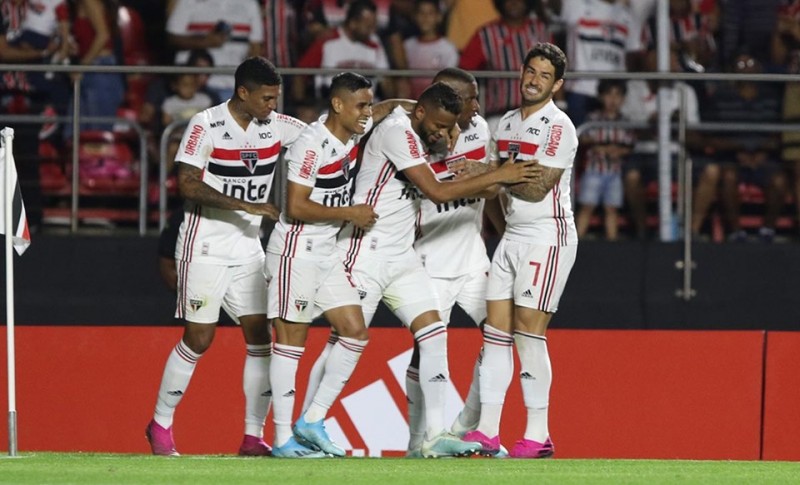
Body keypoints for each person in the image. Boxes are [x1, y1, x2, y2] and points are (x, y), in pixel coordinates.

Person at [305, 81, 538, 458]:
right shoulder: (402, 134)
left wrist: (488, 177)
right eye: (443, 124)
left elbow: (472, 185)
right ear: (426, 109)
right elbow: (437, 190)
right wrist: (498, 174)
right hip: (375, 250)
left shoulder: (455, 129)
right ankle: (308, 422)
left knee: (444, 335)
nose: (447, 133)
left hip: (414, 257)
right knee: (346, 340)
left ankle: (441, 433)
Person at [145, 57, 307, 457]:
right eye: (267, 98)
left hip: (248, 251)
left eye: (276, 98)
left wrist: (385, 110)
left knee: (260, 339)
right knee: (199, 338)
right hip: (204, 247)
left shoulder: (276, 125)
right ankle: (160, 423)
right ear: (243, 93)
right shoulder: (206, 125)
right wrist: (246, 206)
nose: (273, 105)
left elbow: (325, 134)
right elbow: (186, 184)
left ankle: (253, 436)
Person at [264, 72, 414, 458]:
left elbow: (384, 110)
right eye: (360, 105)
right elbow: (294, 207)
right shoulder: (310, 145)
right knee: (291, 346)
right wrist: (350, 213)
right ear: (337, 105)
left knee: (354, 331)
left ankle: (311, 420)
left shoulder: (351, 133)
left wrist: (412, 107)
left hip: (327, 252)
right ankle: (282, 438)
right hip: (295, 252)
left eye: (368, 104)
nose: (367, 113)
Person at [458, 42, 578, 459]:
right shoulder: (504, 123)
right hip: (512, 237)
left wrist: (490, 174)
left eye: (544, 75)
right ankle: (487, 432)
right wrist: (499, 217)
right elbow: (494, 189)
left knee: (529, 331)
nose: (534, 80)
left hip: (547, 234)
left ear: (557, 84)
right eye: (530, 71)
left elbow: (537, 185)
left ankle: (538, 434)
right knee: (495, 333)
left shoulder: (559, 127)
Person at [404, 67, 497, 457]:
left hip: (474, 259)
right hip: (429, 260)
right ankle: (417, 441)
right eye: (470, 99)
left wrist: (504, 234)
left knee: (500, 335)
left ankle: (463, 426)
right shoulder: (415, 138)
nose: (477, 107)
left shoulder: (480, 130)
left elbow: (491, 189)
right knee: (424, 350)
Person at [459, 0, 552, 131]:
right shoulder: (486, 34)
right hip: (498, 114)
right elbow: (464, 71)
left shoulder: (540, 31)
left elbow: (555, 67)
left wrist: (560, 103)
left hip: (537, 113)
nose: (514, 3)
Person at [166, 0, 264, 101]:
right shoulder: (188, 2)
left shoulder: (250, 3)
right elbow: (172, 38)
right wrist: (205, 42)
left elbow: (255, 47)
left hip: (235, 87)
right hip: (197, 89)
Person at [575, 79, 634, 241]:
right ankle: (575, 243)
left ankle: (611, 243)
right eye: (609, 95)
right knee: (587, 206)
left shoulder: (625, 122)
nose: (613, 100)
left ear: (623, 99)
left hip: (614, 172)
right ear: (601, 97)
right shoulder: (593, 118)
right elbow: (585, 139)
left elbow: (629, 145)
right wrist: (602, 148)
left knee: (612, 209)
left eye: (617, 95)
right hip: (594, 170)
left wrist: (619, 151)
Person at [403, 0, 459, 99]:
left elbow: (450, 81)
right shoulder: (407, 46)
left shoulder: (448, 48)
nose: (425, 18)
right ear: (415, 16)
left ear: (439, 17)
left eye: (430, 13)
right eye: (421, 13)